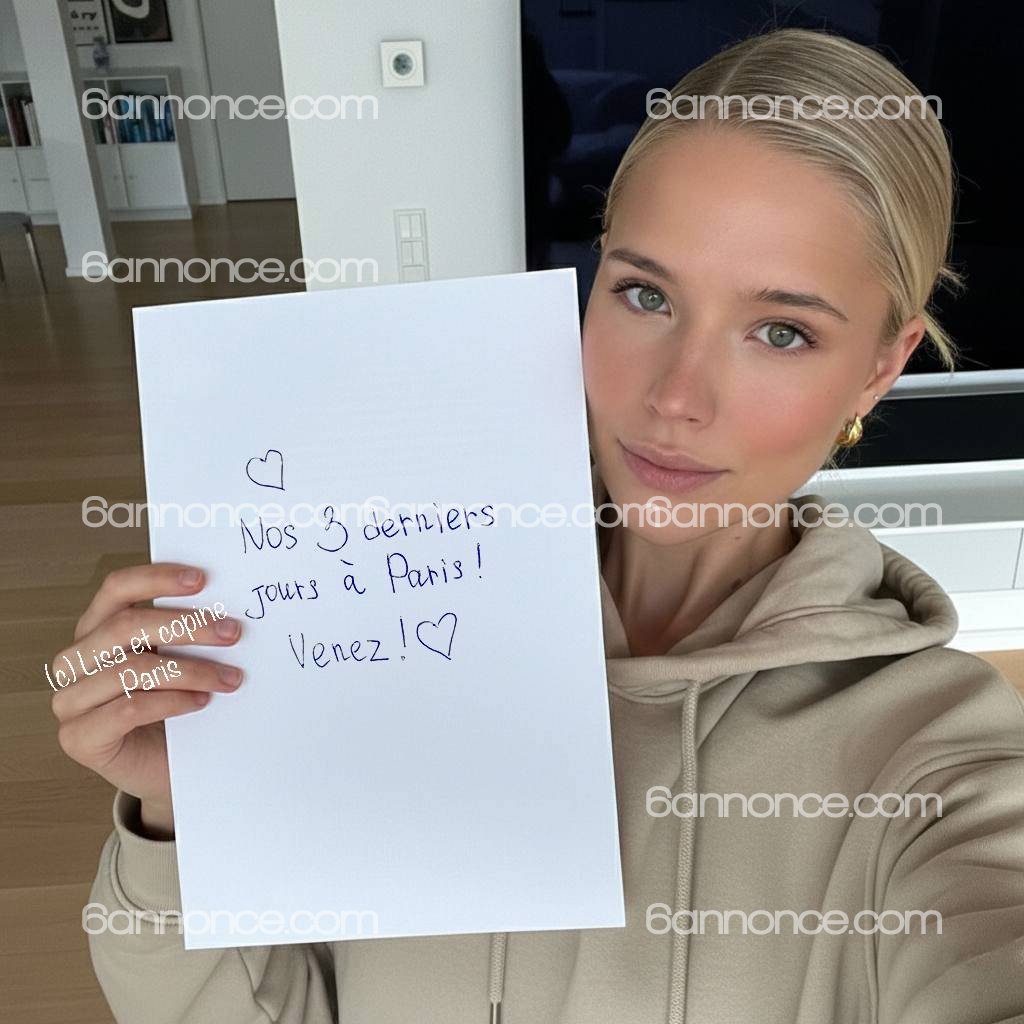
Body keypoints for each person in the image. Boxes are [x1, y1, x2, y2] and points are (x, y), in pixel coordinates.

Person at [53, 27, 1024, 1024]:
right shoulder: (375, 594)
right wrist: (186, 816)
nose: (676, 397)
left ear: (880, 365)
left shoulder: (934, 754)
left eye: (781, 331)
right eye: (645, 293)